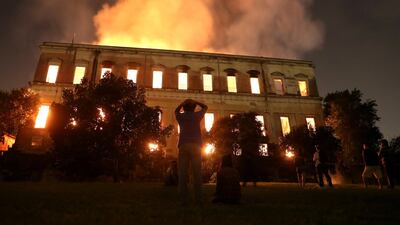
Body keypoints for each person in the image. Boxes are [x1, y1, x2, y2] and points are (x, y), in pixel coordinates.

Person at [175, 98, 208, 205]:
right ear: (194, 108)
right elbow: (205, 107)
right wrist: (196, 101)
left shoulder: (181, 116)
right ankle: (198, 199)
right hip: (196, 145)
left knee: (183, 173)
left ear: (184, 108)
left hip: (183, 144)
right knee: (197, 173)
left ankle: (183, 199)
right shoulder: (197, 116)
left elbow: (176, 111)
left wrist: (182, 103)